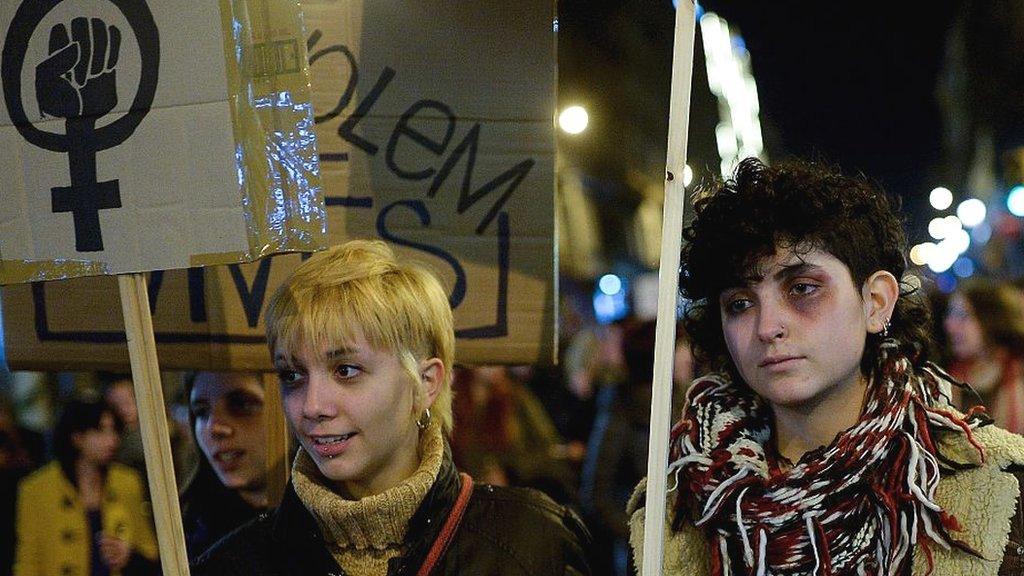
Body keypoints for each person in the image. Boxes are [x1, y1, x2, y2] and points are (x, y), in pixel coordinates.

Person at [628, 158, 1024, 575]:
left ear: (875, 302)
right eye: (740, 304)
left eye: (803, 289)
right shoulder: (674, 507)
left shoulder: (993, 484)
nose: (768, 327)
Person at [193, 240, 591, 575]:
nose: (312, 406)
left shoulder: (531, 544)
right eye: (292, 376)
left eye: (346, 370)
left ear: (427, 383)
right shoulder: (232, 565)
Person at [14, 398, 159, 576]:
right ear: (77, 437)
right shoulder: (35, 489)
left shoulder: (128, 481)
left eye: (114, 430)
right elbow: (28, 562)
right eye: (101, 430)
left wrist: (129, 556)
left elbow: (149, 550)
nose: (112, 440)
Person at [179, 372, 270, 563]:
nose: (214, 428)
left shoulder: (328, 522)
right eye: (202, 412)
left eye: (241, 405)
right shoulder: (189, 530)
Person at [944, 279, 1024, 434]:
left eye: (963, 315)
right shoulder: (948, 379)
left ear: (990, 320)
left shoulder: (1019, 376)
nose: (949, 325)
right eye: (950, 314)